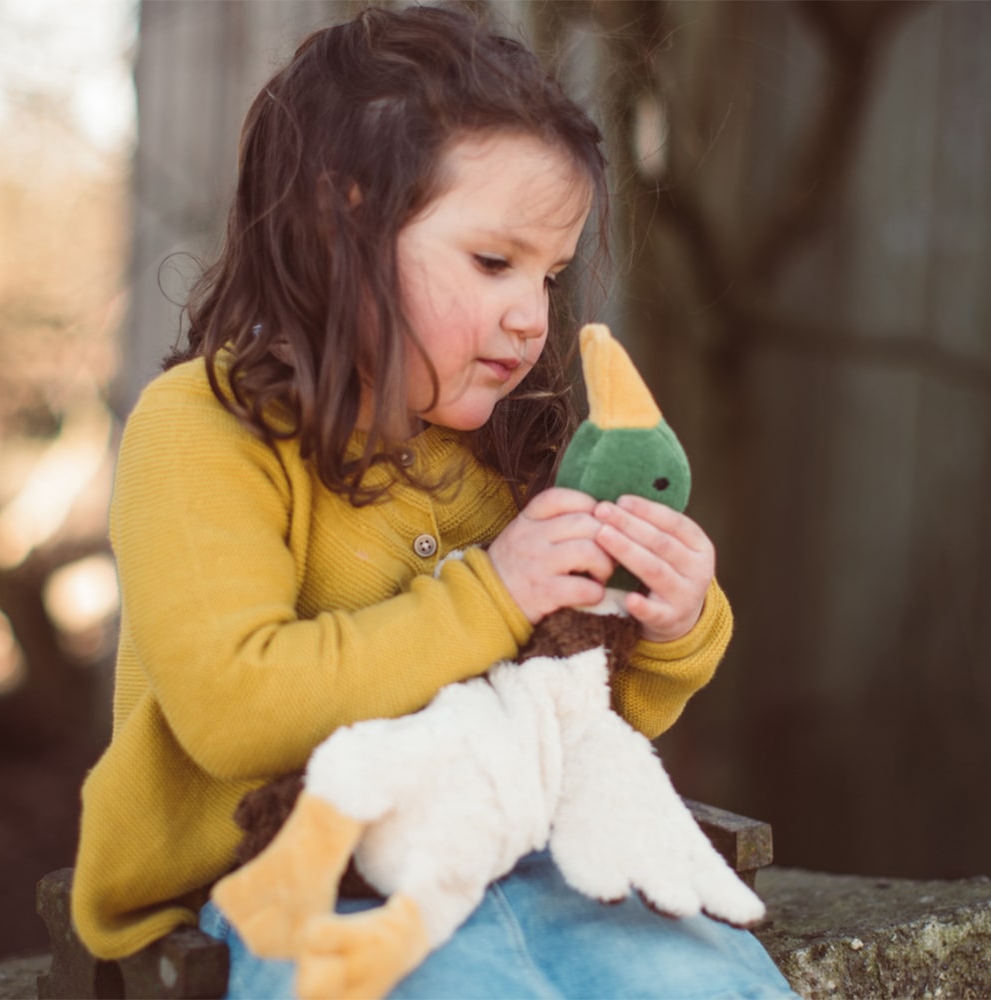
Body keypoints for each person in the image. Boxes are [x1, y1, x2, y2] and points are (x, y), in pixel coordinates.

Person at [71, 5, 796, 998]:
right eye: (493, 262)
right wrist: (493, 595)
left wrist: (668, 625)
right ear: (342, 220)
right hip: (287, 877)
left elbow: (571, 715)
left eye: (548, 275)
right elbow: (236, 709)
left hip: (522, 854)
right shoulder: (205, 426)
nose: (530, 316)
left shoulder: (511, 442)